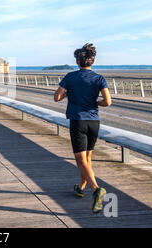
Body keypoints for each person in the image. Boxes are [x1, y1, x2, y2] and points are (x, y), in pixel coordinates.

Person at [53, 43, 112, 213]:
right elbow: (107, 102)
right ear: (92, 61)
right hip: (94, 122)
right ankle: (80, 187)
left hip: (78, 121)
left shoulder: (70, 77)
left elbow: (57, 97)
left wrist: (68, 93)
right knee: (87, 159)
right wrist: (97, 102)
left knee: (80, 160)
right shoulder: (99, 78)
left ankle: (96, 189)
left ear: (77, 61)